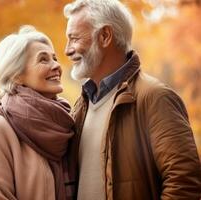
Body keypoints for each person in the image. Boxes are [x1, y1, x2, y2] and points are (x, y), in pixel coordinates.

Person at [63, 0, 201, 200]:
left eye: (74, 38)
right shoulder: (80, 106)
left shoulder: (155, 98)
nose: (67, 50)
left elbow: (185, 182)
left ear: (105, 36)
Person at [0, 26, 77, 200]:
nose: (56, 65)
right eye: (43, 60)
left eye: (54, 58)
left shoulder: (66, 122)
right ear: (16, 75)